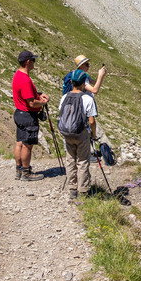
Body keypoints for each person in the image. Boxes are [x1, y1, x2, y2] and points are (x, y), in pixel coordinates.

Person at [57, 71, 99, 199]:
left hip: (67, 133)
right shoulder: (87, 99)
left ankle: (72, 189)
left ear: (71, 82)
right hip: (81, 133)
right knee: (82, 161)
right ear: (83, 83)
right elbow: (91, 121)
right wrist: (94, 134)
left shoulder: (64, 97)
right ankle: (83, 190)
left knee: (70, 160)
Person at [11, 50, 49, 181]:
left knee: (19, 142)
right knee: (27, 145)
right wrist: (42, 101)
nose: (34, 63)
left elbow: (26, 95)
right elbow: (32, 103)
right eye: (33, 60)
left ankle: (19, 169)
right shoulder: (25, 80)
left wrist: (38, 94)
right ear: (28, 62)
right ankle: (26, 172)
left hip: (19, 113)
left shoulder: (17, 75)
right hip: (28, 115)